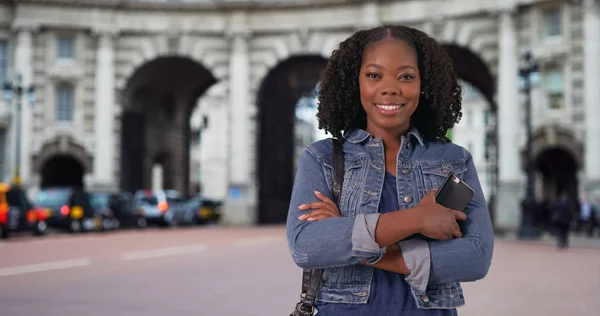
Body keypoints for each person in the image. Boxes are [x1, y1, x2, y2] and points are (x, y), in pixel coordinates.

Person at [286, 25, 494, 315]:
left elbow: (476, 257)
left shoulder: (453, 161)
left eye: (406, 76)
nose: (390, 88)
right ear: (354, 82)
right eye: (374, 75)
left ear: (425, 83)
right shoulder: (321, 159)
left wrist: (350, 238)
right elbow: (306, 246)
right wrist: (417, 218)